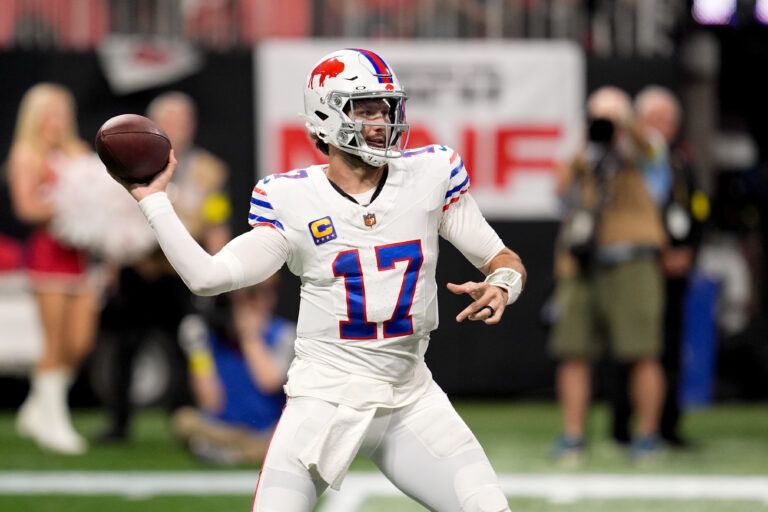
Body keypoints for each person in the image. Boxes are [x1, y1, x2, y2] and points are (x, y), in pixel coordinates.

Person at [109, 48, 526, 511]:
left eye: (386, 108)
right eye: (366, 109)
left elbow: (500, 256)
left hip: (410, 397)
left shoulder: (428, 173)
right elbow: (208, 277)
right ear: (326, 117)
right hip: (324, 399)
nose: (381, 120)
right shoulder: (291, 198)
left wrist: (505, 282)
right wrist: (153, 201)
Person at [98, 91, 231, 442]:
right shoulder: (129, 163)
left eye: (184, 121)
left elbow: (216, 222)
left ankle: (183, 421)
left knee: (186, 346)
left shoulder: (208, 171)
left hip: (180, 272)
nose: (178, 128)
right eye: (170, 121)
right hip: (138, 268)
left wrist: (219, 270)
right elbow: (111, 221)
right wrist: (112, 262)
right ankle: (119, 422)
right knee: (125, 346)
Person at [550, 86, 670, 462]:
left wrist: (624, 126)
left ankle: (648, 435)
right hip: (583, 261)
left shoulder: (643, 146)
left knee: (642, 351)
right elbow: (560, 192)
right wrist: (588, 146)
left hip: (632, 259)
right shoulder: (581, 151)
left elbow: (652, 156)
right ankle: (573, 436)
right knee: (573, 350)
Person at [611, 86, 708, 448]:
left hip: (675, 270)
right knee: (633, 346)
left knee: (669, 348)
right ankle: (622, 425)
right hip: (639, 264)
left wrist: (687, 253)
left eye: (669, 121)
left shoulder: (681, 162)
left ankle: (666, 426)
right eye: (655, 120)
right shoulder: (628, 159)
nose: (663, 128)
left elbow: (698, 213)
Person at [8, 83, 100, 454]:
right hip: (48, 259)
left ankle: (37, 407)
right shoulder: (25, 154)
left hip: (81, 258)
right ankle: (53, 421)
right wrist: (67, 204)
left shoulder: (78, 152)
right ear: (36, 114)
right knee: (54, 342)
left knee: (79, 343)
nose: (59, 119)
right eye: (52, 112)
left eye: (64, 111)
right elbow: (26, 209)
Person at [173, 273, 296, 465]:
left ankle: (233, 454)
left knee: (290, 437)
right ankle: (237, 452)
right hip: (226, 429)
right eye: (238, 298)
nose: (245, 305)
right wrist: (198, 353)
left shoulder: (284, 334)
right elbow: (210, 402)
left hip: (267, 431)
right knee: (184, 420)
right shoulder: (217, 336)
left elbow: (269, 382)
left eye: (252, 296)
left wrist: (250, 336)